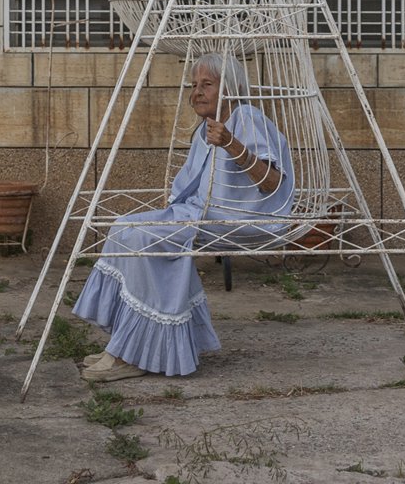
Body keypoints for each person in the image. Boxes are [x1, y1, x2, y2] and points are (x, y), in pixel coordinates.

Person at [74, 50, 293, 382]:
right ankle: (127, 344)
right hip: (198, 214)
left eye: (207, 84)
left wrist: (233, 144)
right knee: (123, 228)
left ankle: (129, 354)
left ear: (230, 88)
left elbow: (272, 183)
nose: (197, 92)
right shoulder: (206, 128)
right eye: (194, 84)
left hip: (238, 218)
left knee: (145, 239)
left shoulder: (246, 118)